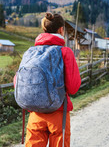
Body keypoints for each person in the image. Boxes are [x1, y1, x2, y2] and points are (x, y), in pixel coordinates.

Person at [24, 12, 81, 147]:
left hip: (35, 114)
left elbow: (19, 81)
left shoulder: (31, 52)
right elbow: (73, 87)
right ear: (61, 30)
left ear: (44, 30)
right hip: (58, 113)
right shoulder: (65, 52)